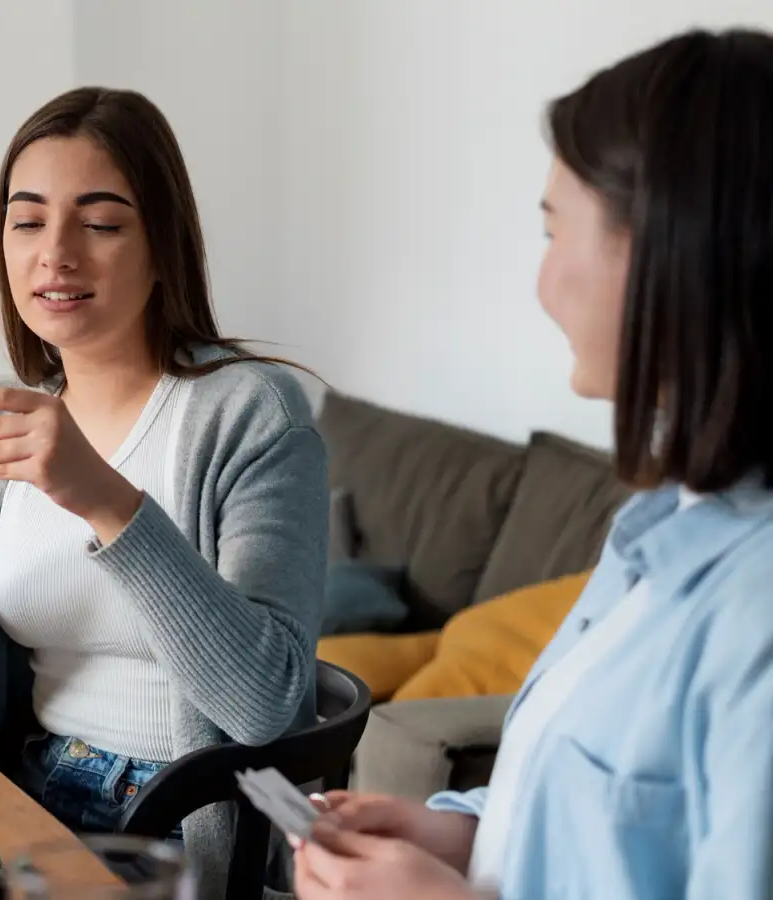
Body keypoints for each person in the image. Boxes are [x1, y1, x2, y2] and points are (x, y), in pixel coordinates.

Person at [293, 28, 773, 900]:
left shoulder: (755, 619)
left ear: (667, 254)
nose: (544, 283)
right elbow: (611, 837)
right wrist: (463, 832)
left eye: (556, 234)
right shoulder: (655, 527)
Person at [0, 87, 328, 896]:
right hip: (18, 793)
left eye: (100, 223)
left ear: (163, 243)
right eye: (27, 221)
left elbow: (266, 703)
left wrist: (105, 499)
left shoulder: (252, 412)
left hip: (172, 826)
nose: (55, 253)